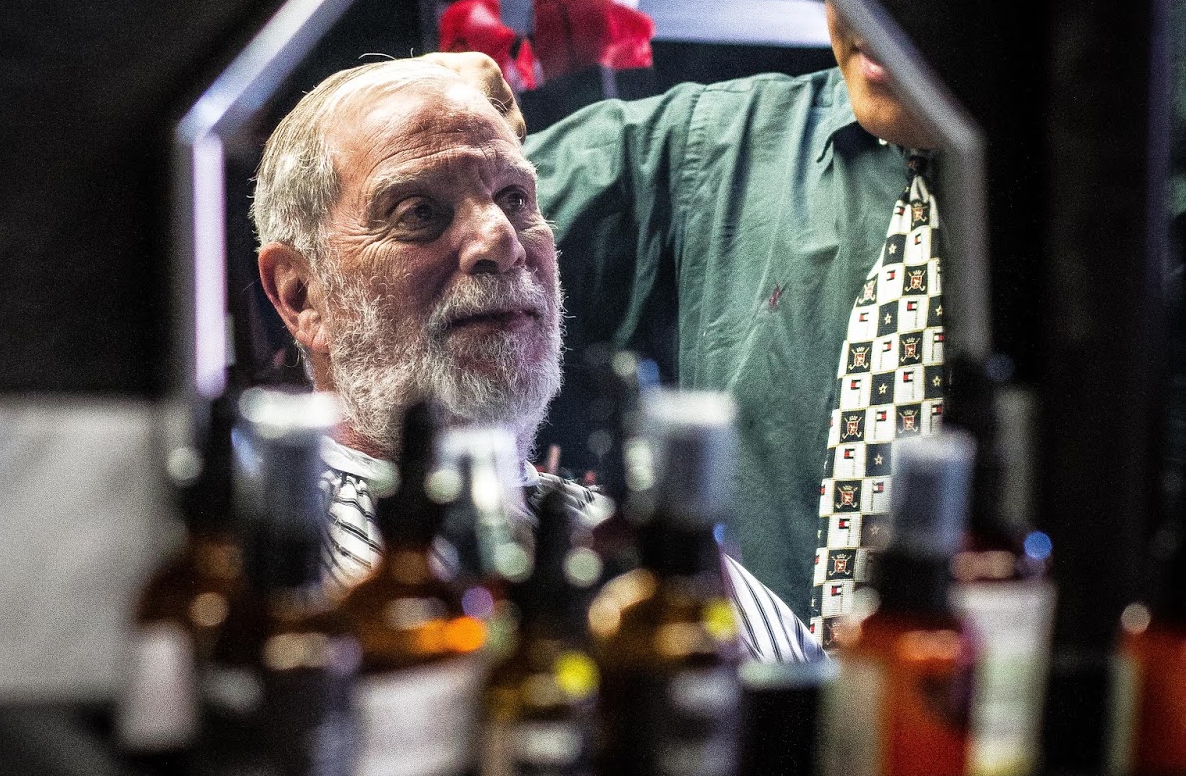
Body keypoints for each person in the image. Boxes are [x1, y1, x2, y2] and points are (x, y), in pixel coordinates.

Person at [253, 58, 819, 664]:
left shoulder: (633, 552)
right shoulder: (266, 569)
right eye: (419, 212)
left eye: (515, 198)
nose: (501, 240)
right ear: (301, 295)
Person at [429, 3, 942, 620]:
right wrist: (421, 126)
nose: (871, 13)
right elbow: (413, 254)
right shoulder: (718, 146)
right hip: (718, 668)